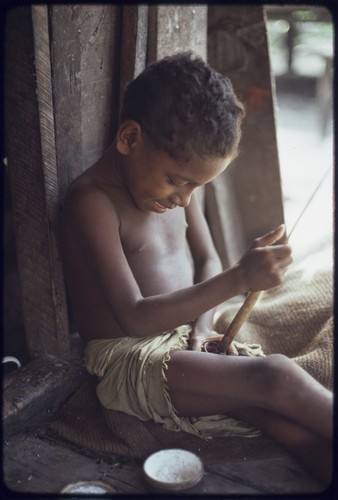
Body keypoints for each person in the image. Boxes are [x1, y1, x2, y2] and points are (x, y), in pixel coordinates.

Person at [61, 52, 332, 486]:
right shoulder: (93, 201)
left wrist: (202, 329)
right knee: (274, 375)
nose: (185, 199)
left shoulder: (173, 188)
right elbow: (133, 316)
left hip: (187, 342)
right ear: (129, 138)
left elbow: (207, 260)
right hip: (132, 358)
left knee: (285, 424)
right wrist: (240, 279)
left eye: (197, 187)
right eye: (177, 181)